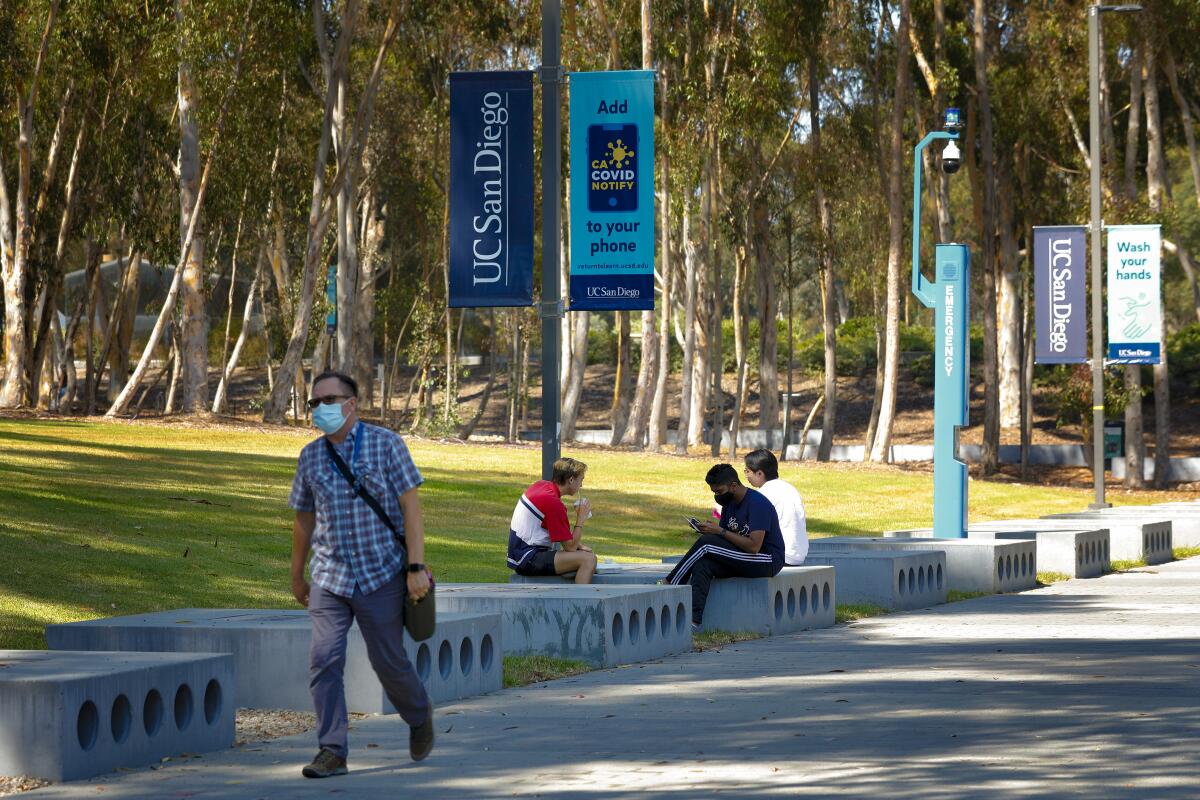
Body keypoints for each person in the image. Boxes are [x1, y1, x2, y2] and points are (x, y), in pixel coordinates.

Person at [288, 370, 434, 779]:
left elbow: (411, 510)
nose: (318, 409)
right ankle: (332, 750)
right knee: (323, 660)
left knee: (387, 661)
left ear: (350, 404)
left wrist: (416, 567)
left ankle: (419, 715)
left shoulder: (387, 444)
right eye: (313, 403)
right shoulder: (311, 456)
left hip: (381, 573)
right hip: (330, 577)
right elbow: (303, 517)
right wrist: (297, 574)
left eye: (327, 401)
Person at [666, 463, 785, 630]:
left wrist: (719, 532)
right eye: (714, 492)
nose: (717, 496)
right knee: (703, 565)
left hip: (767, 559)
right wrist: (712, 531)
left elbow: (754, 547)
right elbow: (728, 537)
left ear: (733, 485)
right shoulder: (729, 504)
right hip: (745, 556)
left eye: (719, 491)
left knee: (706, 545)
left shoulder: (758, 504)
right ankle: (693, 622)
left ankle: (670, 582)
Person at [507, 457, 597, 584]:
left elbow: (563, 539)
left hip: (520, 555)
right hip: (528, 559)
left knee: (582, 555)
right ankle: (581, 602)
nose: (581, 485)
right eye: (581, 480)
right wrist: (581, 518)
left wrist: (579, 546)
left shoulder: (541, 486)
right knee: (588, 560)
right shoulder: (553, 503)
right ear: (571, 480)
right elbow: (570, 547)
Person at [742, 449, 808, 565]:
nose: (746, 476)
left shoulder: (763, 494)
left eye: (747, 471)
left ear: (759, 473)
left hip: (780, 555)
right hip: (798, 555)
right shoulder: (789, 488)